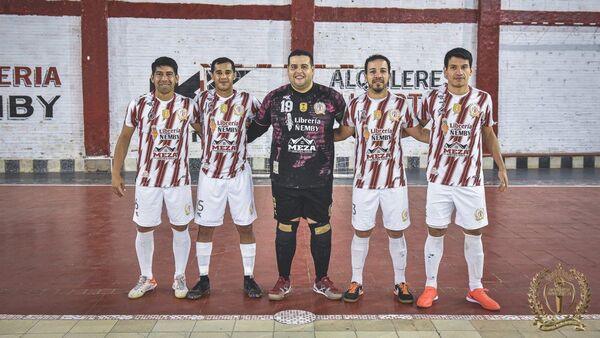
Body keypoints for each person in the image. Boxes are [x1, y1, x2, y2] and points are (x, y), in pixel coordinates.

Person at [247, 49, 347, 301]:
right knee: (285, 227)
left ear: (313, 69)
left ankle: (321, 279)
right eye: (293, 66)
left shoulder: (331, 97)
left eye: (304, 66)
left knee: (321, 227)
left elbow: (349, 128)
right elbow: (254, 130)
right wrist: (220, 136)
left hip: (319, 177)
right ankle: (283, 279)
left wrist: (325, 139)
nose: (298, 71)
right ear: (288, 69)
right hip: (285, 179)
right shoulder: (275, 98)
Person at [415, 47, 508, 311]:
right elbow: (417, 127)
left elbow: (488, 134)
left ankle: (475, 288)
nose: (458, 72)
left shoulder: (483, 99)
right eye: (453, 67)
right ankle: (430, 287)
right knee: (436, 230)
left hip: (471, 180)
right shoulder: (432, 98)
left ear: (471, 70)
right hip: (439, 179)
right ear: (444, 71)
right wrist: (434, 139)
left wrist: (500, 166)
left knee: (474, 232)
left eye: (463, 67)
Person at [334, 54, 430, 303]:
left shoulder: (401, 104)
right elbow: (343, 133)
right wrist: (313, 131)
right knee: (361, 231)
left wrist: (454, 133)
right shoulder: (355, 105)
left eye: (382, 70)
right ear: (365, 75)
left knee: (396, 232)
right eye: (373, 71)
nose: (378, 75)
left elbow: (417, 133)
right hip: (364, 183)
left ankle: (400, 282)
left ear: (389, 74)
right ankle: (357, 281)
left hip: (394, 183)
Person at [112, 56, 197, 299]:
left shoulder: (188, 106)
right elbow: (124, 138)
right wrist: (115, 172)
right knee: (144, 226)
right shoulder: (138, 104)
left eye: (169, 74)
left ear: (177, 78)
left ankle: (179, 276)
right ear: (152, 77)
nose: (164, 78)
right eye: (159, 74)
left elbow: (207, 131)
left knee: (180, 227)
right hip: (147, 179)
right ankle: (147, 276)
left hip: (178, 180)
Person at [186, 57, 263, 299]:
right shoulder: (202, 99)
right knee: (205, 227)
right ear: (212, 76)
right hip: (210, 175)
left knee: (245, 226)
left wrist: (244, 137)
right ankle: (203, 278)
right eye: (218, 72)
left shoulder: (247, 100)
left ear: (234, 75)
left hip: (239, 173)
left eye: (227, 72)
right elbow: (196, 123)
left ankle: (249, 278)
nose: (223, 76)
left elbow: (261, 121)